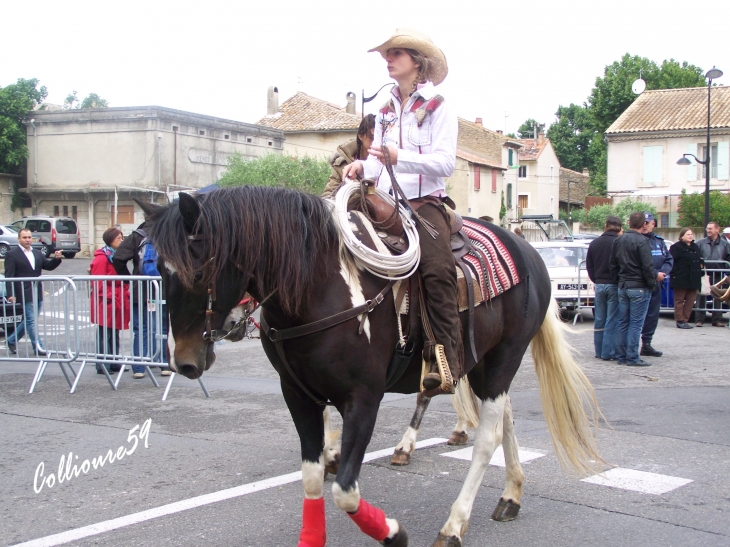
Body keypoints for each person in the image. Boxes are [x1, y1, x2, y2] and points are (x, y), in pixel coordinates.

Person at [341, 28, 459, 394]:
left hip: (423, 205)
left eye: (395, 54)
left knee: (438, 271)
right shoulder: (385, 109)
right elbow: (379, 163)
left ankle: (446, 360)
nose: (387, 60)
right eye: (386, 55)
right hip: (384, 200)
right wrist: (363, 167)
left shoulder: (440, 107)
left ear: (416, 62)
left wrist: (399, 157)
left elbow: (445, 164)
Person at [113, 222, 171, 379]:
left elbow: (118, 258)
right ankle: (164, 364)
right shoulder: (167, 232)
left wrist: (128, 279)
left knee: (141, 329)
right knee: (162, 327)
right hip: (162, 289)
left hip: (140, 289)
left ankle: (139, 367)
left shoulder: (136, 236)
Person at [4, 228, 62, 355]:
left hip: (37, 291)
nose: (27, 240)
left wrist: (56, 259)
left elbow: (48, 266)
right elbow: (9, 276)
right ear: (19, 239)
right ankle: (38, 347)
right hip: (23, 292)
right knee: (31, 321)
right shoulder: (12, 254)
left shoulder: (37, 253)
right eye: (24, 237)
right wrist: (10, 294)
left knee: (30, 320)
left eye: (29, 237)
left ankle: (11, 340)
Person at [610, 212, 656, 366]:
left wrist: (618, 280)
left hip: (623, 285)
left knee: (623, 322)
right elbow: (647, 266)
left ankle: (621, 355)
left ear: (628, 223)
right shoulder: (642, 241)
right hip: (639, 286)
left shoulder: (619, 240)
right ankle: (632, 357)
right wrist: (651, 284)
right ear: (644, 225)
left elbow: (613, 264)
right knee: (636, 323)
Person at [90, 227, 130, 374]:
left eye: (122, 237)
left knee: (114, 333)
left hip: (116, 297)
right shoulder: (102, 257)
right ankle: (102, 364)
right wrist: (109, 296)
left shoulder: (115, 256)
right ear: (110, 240)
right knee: (104, 333)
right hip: (106, 300)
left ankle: (113, 362)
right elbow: (98, 281)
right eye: (118, 238)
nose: (121, 240)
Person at [586, 215, 622, 361]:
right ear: (619, 228)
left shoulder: (595, 243)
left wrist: (596, 279)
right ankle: (608, 352)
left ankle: (599, 350)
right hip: (614, 284)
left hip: (599, 284)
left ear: (606, 225)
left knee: (599, 318)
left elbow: (589, 264)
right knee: (611, 319)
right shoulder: (619, 242)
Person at [639, 212, 673, 357]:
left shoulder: (659, 241)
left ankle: (647, 344)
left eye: (648, 223)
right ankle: (630, 346)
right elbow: (639, 264)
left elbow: (669, 259)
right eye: (643, 223)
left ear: (653, 224)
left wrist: (662, 273)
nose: (645, 226)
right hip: (640, 284)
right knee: (636, 316)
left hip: (655, 283)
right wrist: (654, 273)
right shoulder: (637, 240)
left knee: (652, 315)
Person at [322, 114, 376, 198]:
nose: (377, 142)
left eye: (380, 139)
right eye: (372, 137)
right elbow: (327, 197)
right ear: (361, 136)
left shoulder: (387, 165)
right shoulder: (342, 164)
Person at [695, 221, 730, 327]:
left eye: (710, 228)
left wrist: (727, 271)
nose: (708, 230)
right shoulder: (700, 243)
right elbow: (696, 256)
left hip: (718, 273)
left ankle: (717, 320)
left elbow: (728, 258)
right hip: (704, 274)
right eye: (707, 228)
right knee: (701, 296)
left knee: (718, 296)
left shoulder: (725, 244)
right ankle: (699, 319)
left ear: (717, 229)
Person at [669, 228, 704, 329]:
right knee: (679, 300)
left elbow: (699, 258)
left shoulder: (695, 246)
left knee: (691, 300)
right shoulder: (676, 247)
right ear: (682, 236)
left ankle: (685, 319)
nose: (690, 236)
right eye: (688, 234)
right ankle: (679, 320)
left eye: (691, 234)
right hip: (681, 277)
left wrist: (702, 264)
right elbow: (672, 261)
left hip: (693, 278)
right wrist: (674, 273)